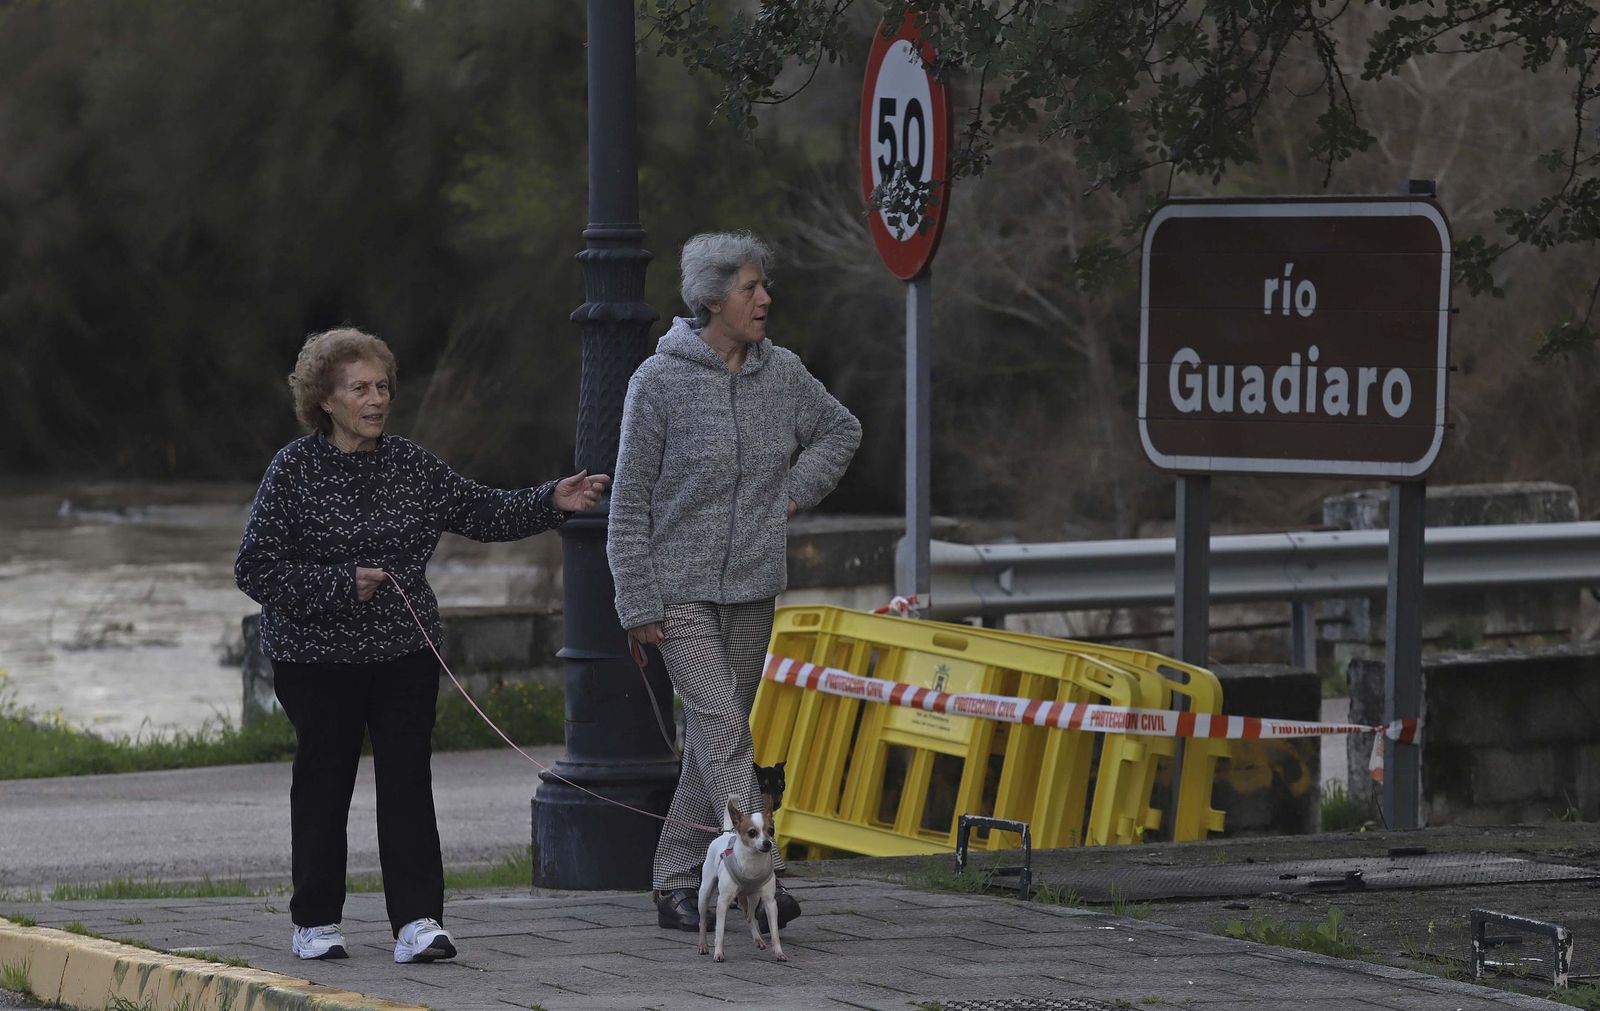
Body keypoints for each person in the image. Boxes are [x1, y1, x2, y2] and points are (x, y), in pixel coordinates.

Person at [235, 327, 608, 964]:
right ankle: (316, 923)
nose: (375, 399)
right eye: (360, 388)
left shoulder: (411, 464)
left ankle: (418, 922)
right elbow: (255, 570)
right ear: (325, 399)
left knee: (408, 783)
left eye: (382, 387)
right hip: (316, 660)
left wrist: (552, 500)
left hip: (405, 654)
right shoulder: (293, 470)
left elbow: (483, 511)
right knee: (325, 786)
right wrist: (336, 584)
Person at [607, 232, 861, 931]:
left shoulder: (781, 375)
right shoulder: (656, 382)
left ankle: (672, 881)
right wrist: (636, 602)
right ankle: (760, 871)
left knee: (715, 741)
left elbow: (841, 431)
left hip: (753, 587)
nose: (765, 298)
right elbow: (629, 500)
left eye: (763, 286)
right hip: (675, 589)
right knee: (723, 729)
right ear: (713, 297)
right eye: (751, 287)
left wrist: (792, 491)